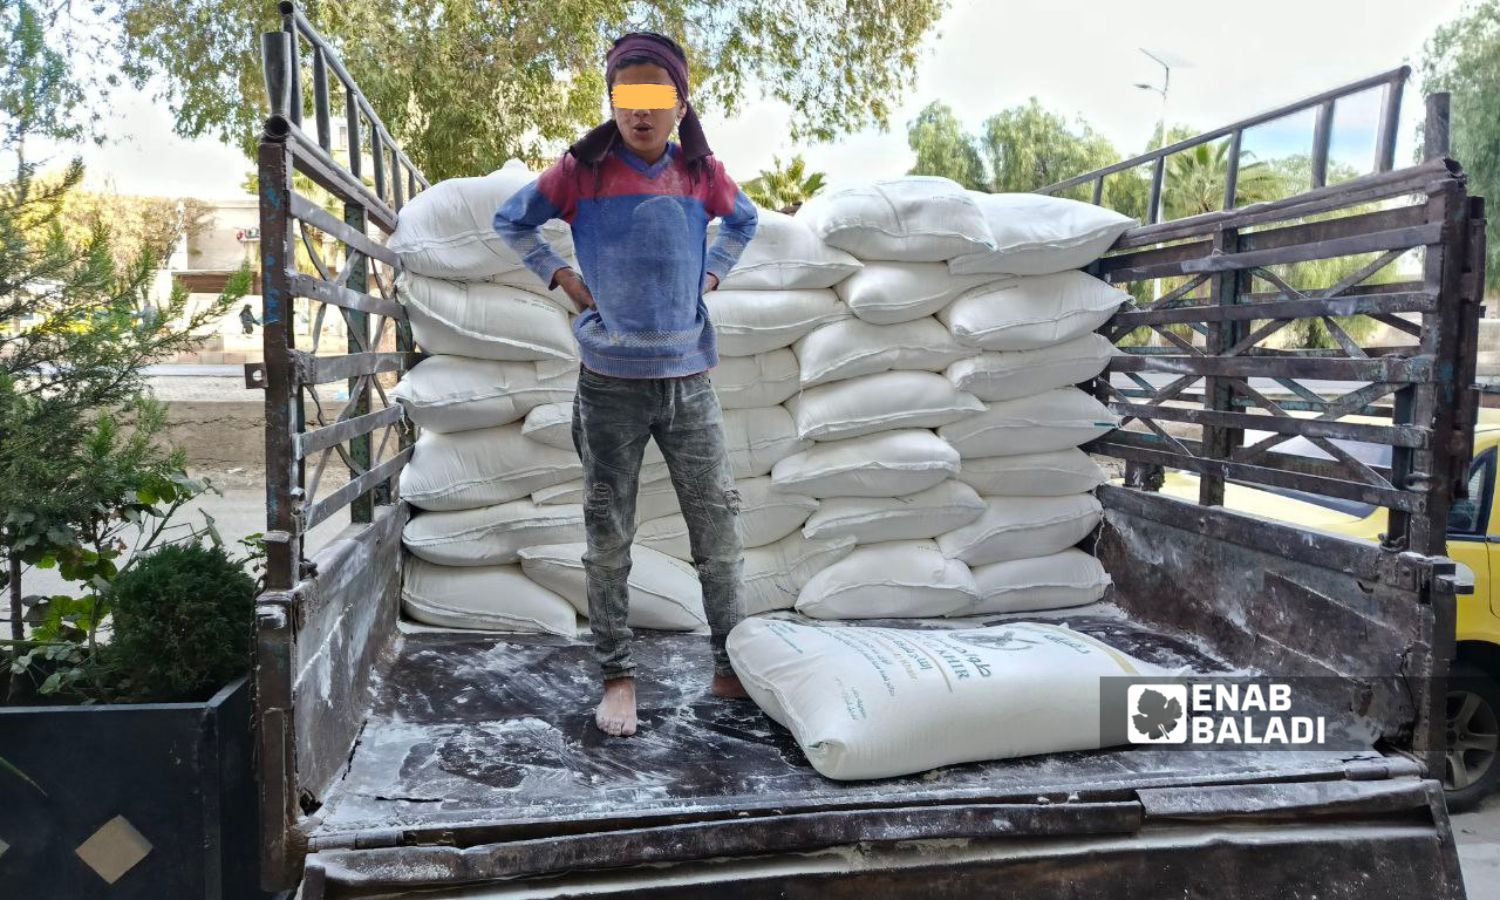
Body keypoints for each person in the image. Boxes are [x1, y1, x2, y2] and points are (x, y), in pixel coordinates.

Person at [494, 31, 759, 737]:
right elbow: (512, 219)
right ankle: (616, 675)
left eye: (656, 97)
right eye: (627, 96)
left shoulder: (701, 175)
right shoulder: (580, 174)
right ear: (612, 99)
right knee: (608, 536)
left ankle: (731, 666)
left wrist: (711, 275)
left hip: (690, 382)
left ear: (678, 103)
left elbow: (745, 221)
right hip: (609, 384)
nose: (641, 112)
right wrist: (563, 277)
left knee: (719, 530)